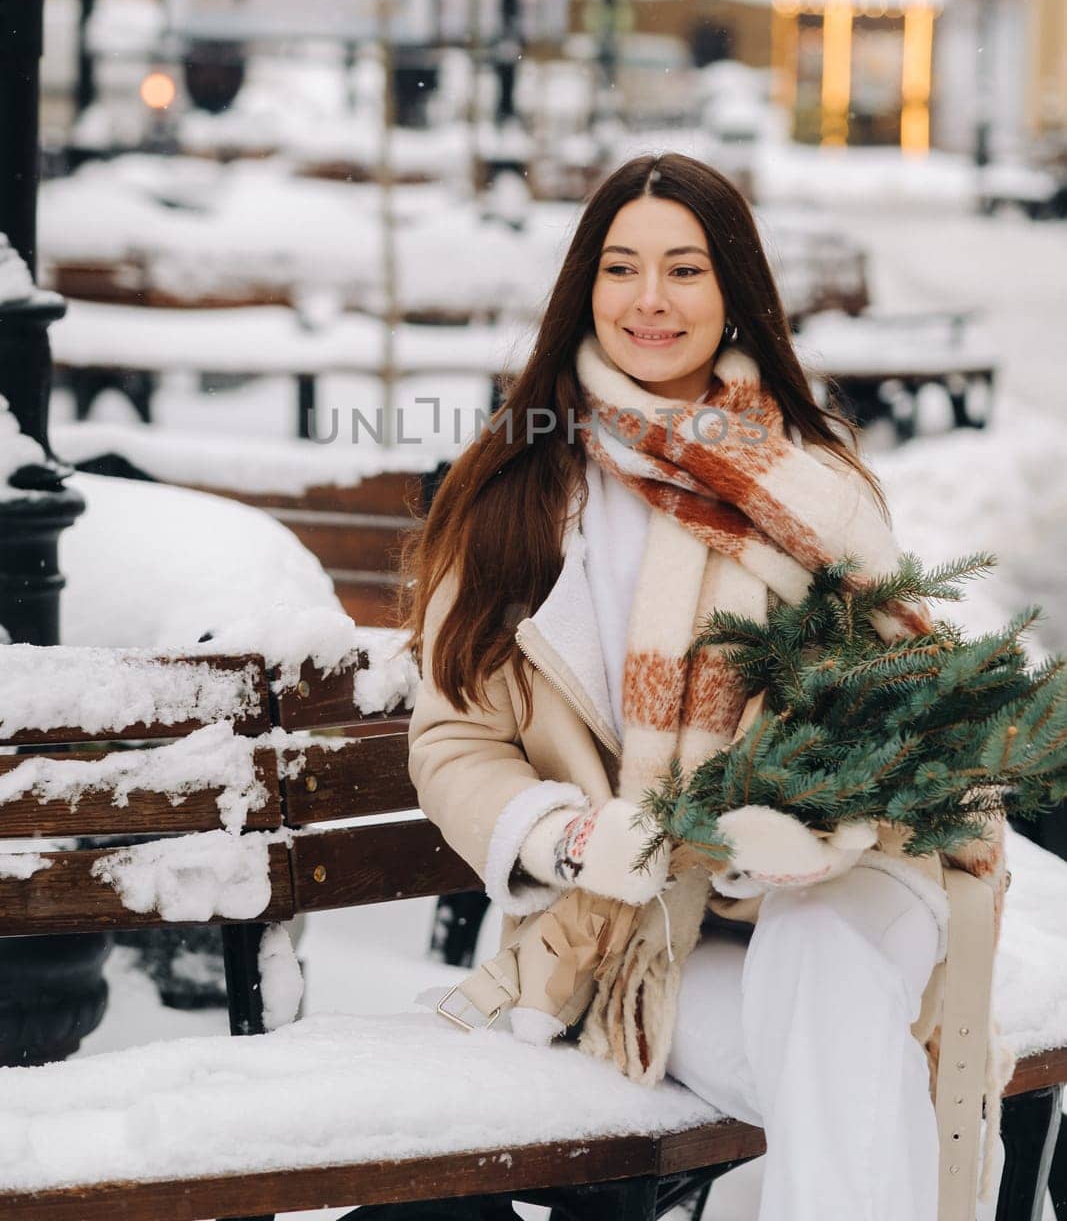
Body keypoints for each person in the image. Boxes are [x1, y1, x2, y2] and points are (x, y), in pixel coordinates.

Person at [385, 154, 1007, 1221]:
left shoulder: (806, 481)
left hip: (848, 883)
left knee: (819, 952)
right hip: (644, 930)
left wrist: (806, 808)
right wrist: (567, 833)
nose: (649, 301)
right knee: (846, 1065)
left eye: (684, 269)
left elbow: (886, 697)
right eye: (620, 268)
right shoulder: (517, 491)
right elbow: (452, 740)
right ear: (584, 285)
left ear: (732, 296)